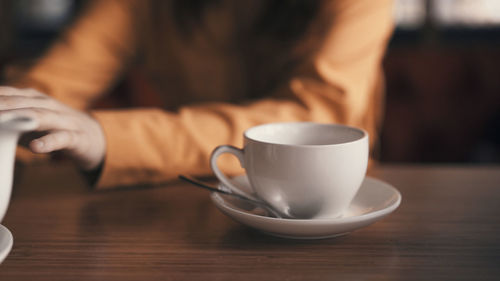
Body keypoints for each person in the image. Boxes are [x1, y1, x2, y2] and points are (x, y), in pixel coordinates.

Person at [1, 0, 394, 189]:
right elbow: (48, 87)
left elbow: (316, 119)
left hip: (329, 204)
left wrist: (107, 138)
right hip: (183, 195)